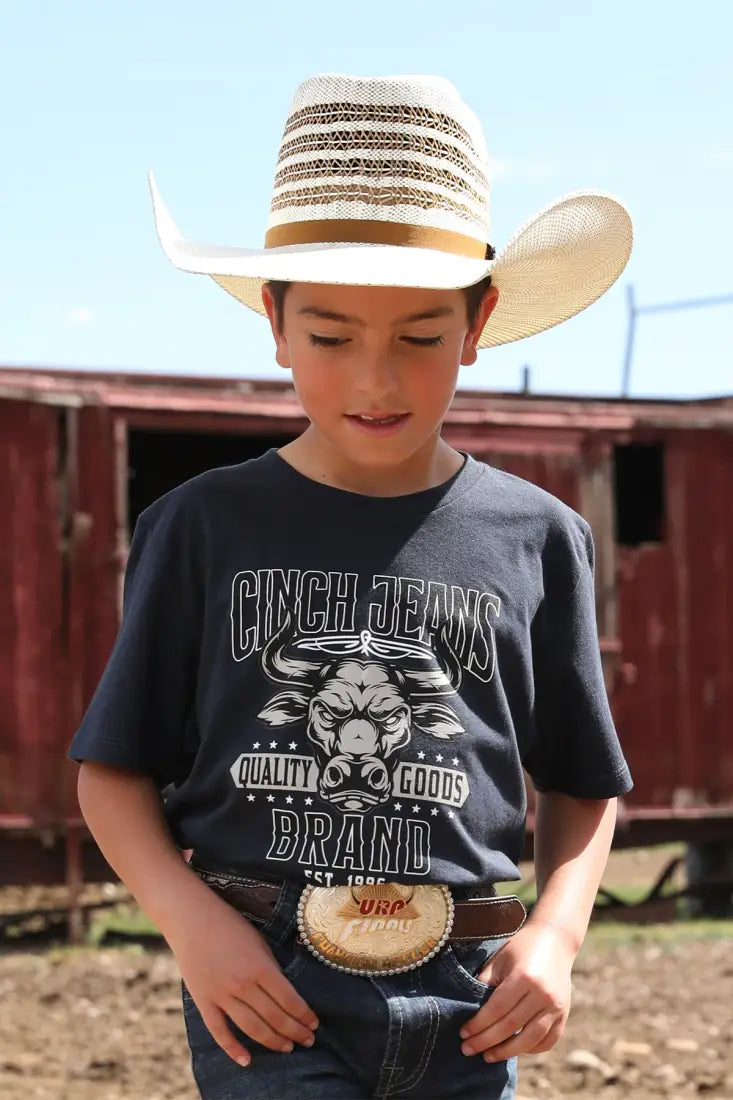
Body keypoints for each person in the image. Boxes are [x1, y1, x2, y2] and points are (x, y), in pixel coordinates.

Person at [69, 73, 634, 1100]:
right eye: (330, 337)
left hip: (469, 994)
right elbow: (111, 775)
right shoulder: (199, 527)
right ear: (274, 322)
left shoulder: (541, 539)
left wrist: (553, 933)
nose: (375, 379)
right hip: (266, 986)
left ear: (479, 321)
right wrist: (195, 928)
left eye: (420, 337)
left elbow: (584, 782)